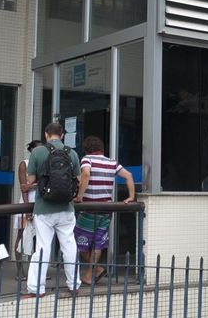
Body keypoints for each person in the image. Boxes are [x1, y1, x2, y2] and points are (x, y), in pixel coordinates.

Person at [22, 122, 81, 299]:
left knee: (42, 247)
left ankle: (36, 288)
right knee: (69, 245)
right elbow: (77, 179)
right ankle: (74, 285)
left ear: (46, 134)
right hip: (66, 207)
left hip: (44, 208)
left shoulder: (38, 152)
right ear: (62, 135)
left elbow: (31, 180)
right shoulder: (72, 153)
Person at [74, 136, 136, 286]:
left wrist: (79, 196)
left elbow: (86, 174)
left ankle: (93, 272)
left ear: (86, 148)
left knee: (78, 242)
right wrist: (131, 197)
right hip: (106, 209)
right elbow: (128, 175)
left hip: (89, 208)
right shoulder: (111, 162)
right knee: (97, 243)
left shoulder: (87, 159)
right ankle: (94, 271)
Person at [13, 139, 43, 282]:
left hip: (41, 204)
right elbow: (23, 187)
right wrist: (26, 209)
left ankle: (35, 271)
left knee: (39, 239)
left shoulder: (44, 164)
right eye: (37, 149)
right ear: (31, 150)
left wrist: (33, 185)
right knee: (21, 235)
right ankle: (20, 270)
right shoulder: (24, 164)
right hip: (25, 204)